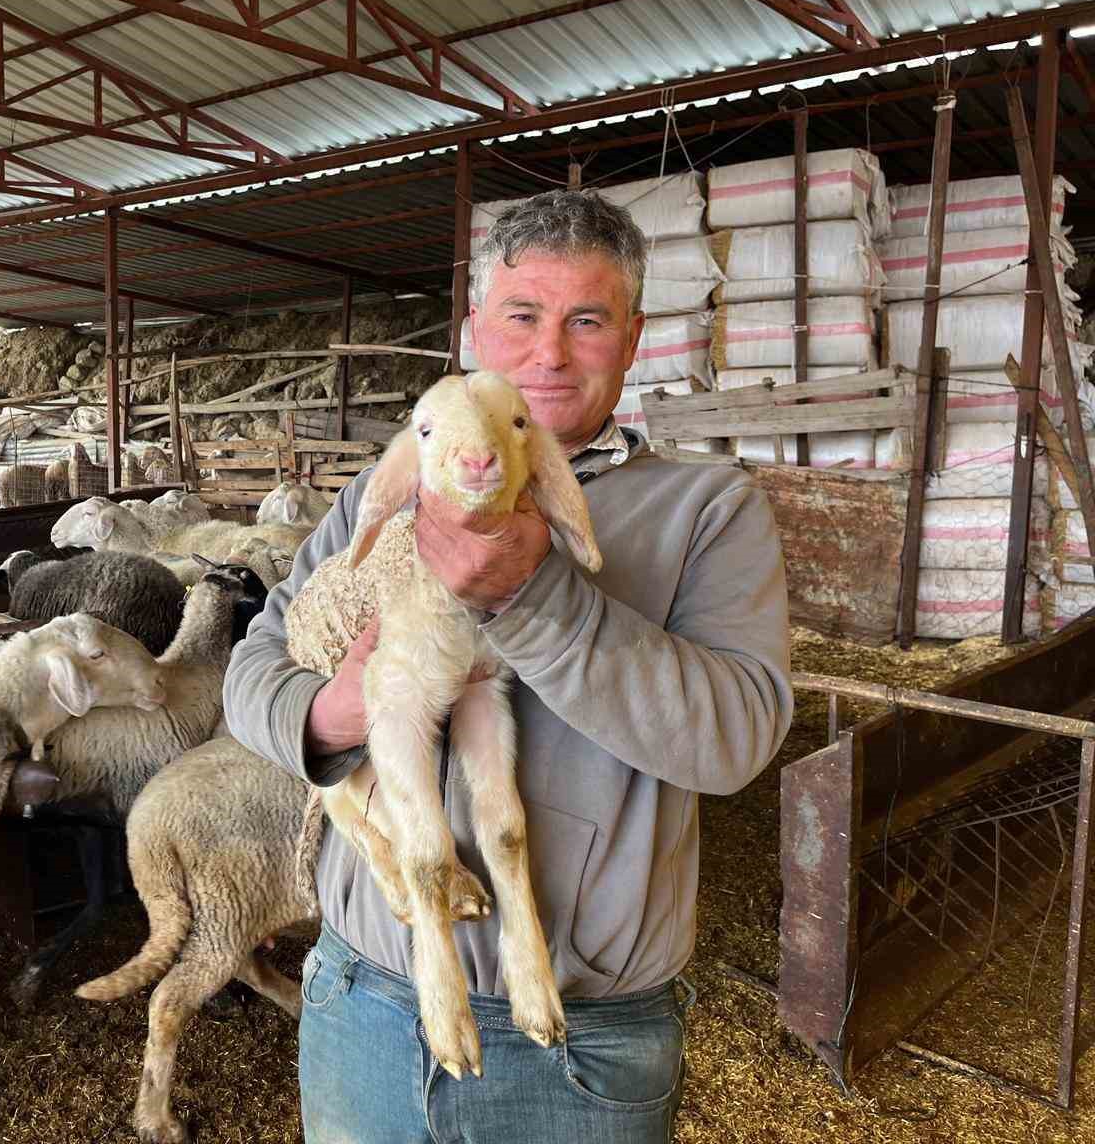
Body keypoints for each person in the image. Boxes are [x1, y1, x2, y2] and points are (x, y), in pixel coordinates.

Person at [223, 189, 792, 1143]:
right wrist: (340, 712)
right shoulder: (387, 484)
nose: (551, 352)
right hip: (364, 994)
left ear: (634, 336)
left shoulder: (709, 510)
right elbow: (254, 670)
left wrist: (533, 594)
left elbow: (736, 739)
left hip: (579, 1041)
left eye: (588, 321)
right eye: (523, 316)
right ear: (476, 327)